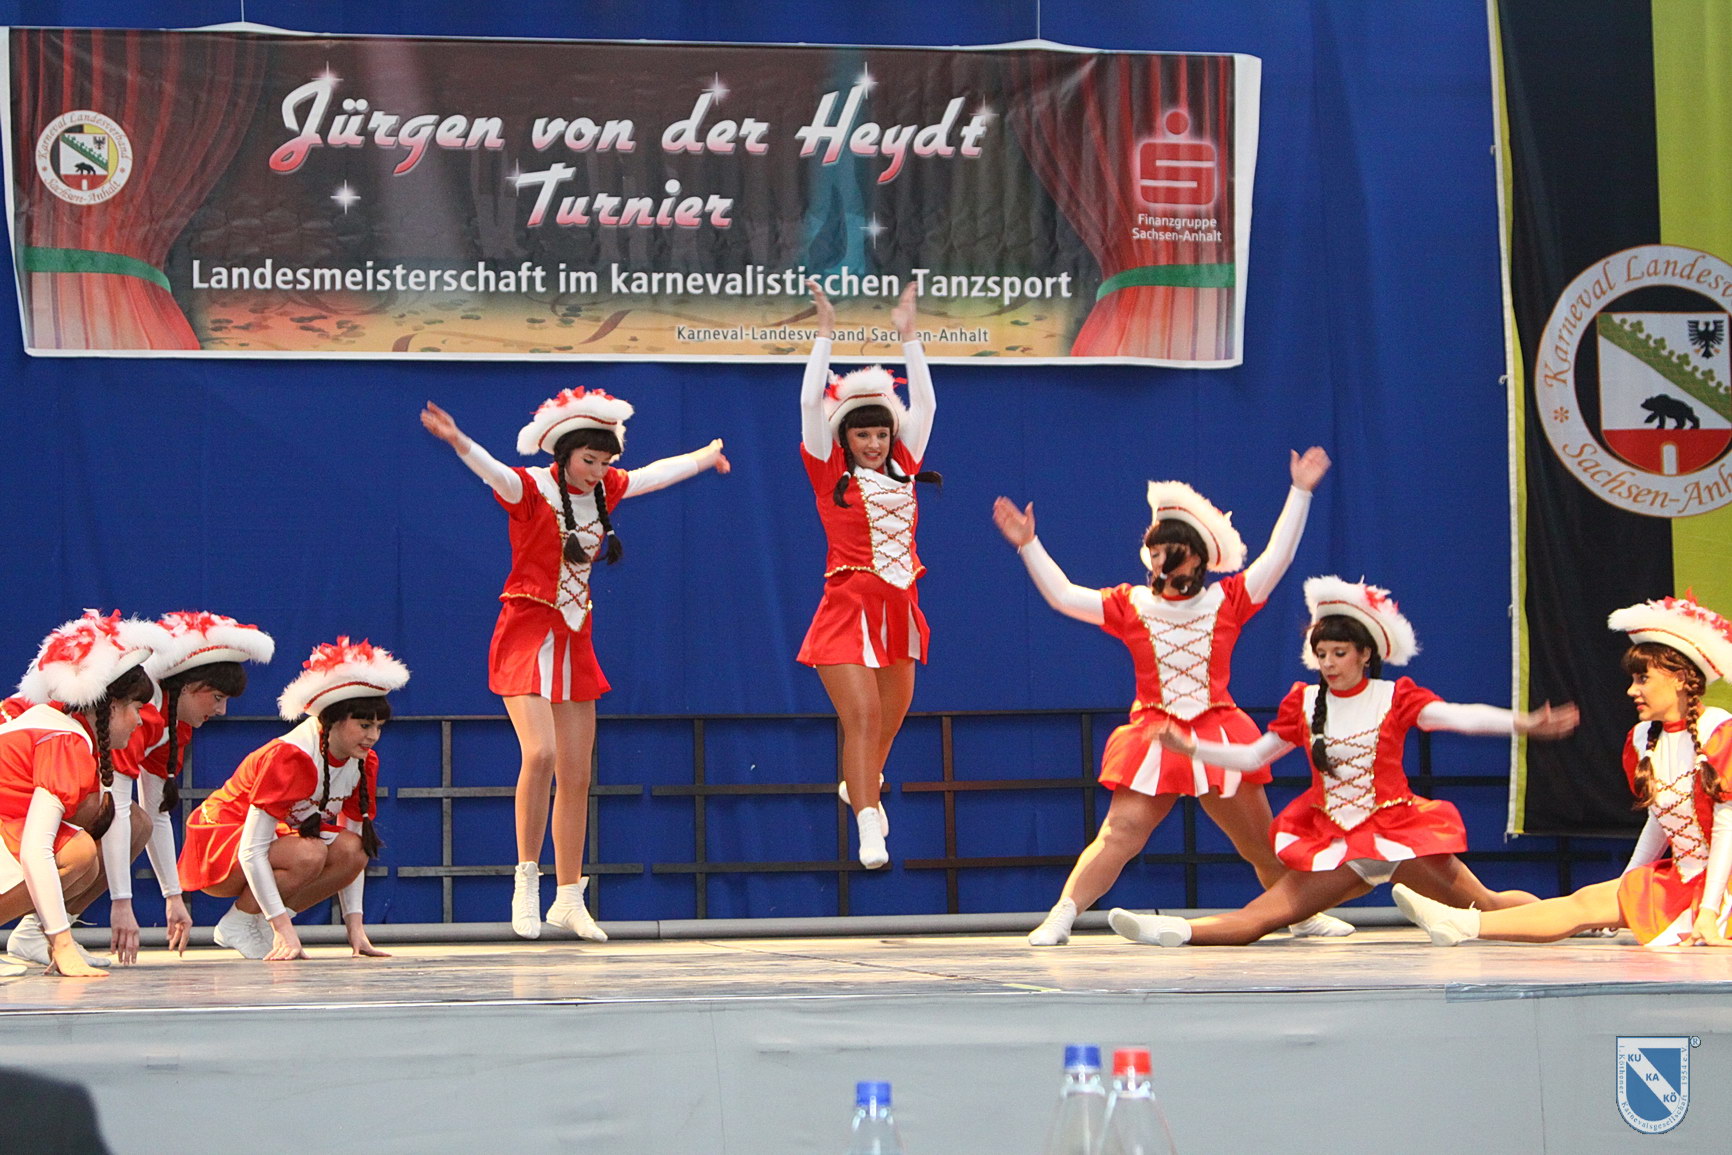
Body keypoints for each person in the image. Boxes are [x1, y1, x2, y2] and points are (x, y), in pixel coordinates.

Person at [1106, 576, 1577, 947]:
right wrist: (1192, 749)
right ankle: (1171, 930)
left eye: (1339, 653)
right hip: (1340, 846)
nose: (1329, 663)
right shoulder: (1305, 704)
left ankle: (1581, 918)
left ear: (1365, 653)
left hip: (1399, 840)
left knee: (1487, 906)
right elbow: (1252, 756)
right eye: (1321, 654)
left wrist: (1524, 723)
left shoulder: (1395, 697)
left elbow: (1461, 717)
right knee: (1263, 916)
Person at [994, 450, 1342, 945]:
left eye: (1168, 549)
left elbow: (1278, 558)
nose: (1158, 559)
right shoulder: (1130, 604)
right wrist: (1029, 545)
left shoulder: (1229, 600)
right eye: (1153, 551)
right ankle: (1062, 916)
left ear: (1196, 555)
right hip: (1155, 736)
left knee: (1259, 844)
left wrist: (1300, 491)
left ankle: (1302, 915)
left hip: (1217, 735)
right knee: (1118, 835)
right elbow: (1064, 596)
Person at [421, 388, 728, 939]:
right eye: (589, 460)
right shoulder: (531, 488)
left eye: (605, 462)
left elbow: (655, 474)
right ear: (563, 454)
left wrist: (706, 457)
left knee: (577, 774)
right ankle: (526, 882)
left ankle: (567, 897)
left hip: (574, 637)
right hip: (524, 632)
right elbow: (493, 472)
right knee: (539, 753)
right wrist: (458, 440)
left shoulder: (608, 489)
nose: (598, 472)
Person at [1395, 594, 1732, 948]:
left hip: (1720, 885)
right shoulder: (1642, 739)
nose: (1632, 690)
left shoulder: (1719, 733)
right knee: (1585, 901)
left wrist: (1708, 912)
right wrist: (1627, 888)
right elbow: (1659, 823)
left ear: (1680, 679)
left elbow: (1727, 829)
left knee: (1586, 905)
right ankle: (1460, 922)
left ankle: (1461, 921)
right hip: (1685, 878)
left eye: (1642, 679)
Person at [799, 281, 939, 869]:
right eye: (864, 434)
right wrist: (825, 334)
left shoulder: (904, 464)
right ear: (846, 438)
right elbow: (811, 406)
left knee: (889, 721)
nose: (876, 443)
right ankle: (867, 822)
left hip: (900, 609)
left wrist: (909, 337)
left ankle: (860, 785)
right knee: (862, 719)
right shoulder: (826, 469)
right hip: (847, 608)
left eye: (882, 433)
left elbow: (926, 406)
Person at [178, 637, 407, 961]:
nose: (373, 736)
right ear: (333, 721)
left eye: (379, 727)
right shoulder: (290, 756)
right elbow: (252, 850)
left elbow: (355, 839)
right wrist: (284, 929)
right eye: (364, 725)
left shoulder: (364, 762)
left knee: (353, 850)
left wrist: (356, 931)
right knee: (309, 853)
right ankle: (241, 923)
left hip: (277, 842)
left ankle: (251, 922)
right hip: (220, 841)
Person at [99, 611, 274, 963]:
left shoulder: (171, 725)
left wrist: (173, 897)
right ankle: (45, 928)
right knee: (112, 821)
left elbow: (156, 814)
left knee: (140, 824)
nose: (222, 711)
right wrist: (121, 904)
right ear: (186, 686)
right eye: (217, 697)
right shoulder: (138, 715)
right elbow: (114, 810)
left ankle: (35, 931)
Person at [0, 611, 161, 976]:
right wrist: (63, 945)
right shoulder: (64, 739)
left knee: (90, 849)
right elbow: (36, 848)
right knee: (77, 852)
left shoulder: (61, 728)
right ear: (112, 706)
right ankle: (53, 938)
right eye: (137, 708)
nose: (140, 721)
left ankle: (38, 936)